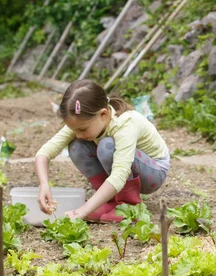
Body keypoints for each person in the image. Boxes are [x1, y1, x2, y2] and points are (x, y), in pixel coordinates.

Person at [35, 80, 170, 223]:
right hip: (128, 168)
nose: (78, 134)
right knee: (76, 146)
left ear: (103, 114)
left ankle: (128, 205)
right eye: (74, 129)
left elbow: (119, 174)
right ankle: (110, 201)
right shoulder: (82, 120)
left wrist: (84, 210)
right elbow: (44, 153)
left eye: (82, 129)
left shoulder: (125, 124)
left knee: (107, 147)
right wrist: (44, 185)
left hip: (153, 171)